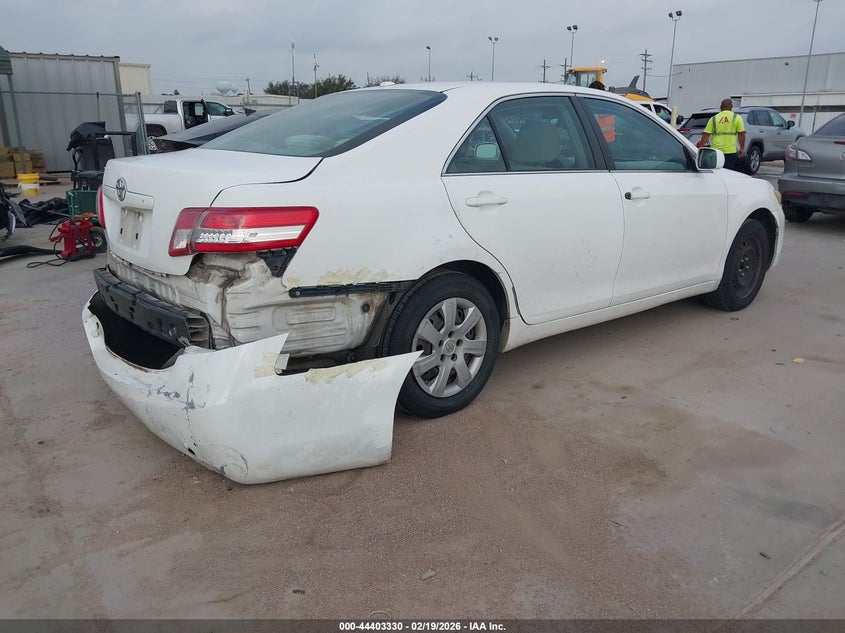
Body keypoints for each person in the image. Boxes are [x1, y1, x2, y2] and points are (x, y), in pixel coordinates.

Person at [698, 98, 747, 171]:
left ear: (721, 107)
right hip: (730, 152)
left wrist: (700, 149)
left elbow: (706, 135)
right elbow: (741, 134)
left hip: (715, 152)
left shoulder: (714, 118)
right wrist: (742, 148)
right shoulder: (737, 118)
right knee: (728, 173)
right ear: (731, 107)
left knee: (715, 173)